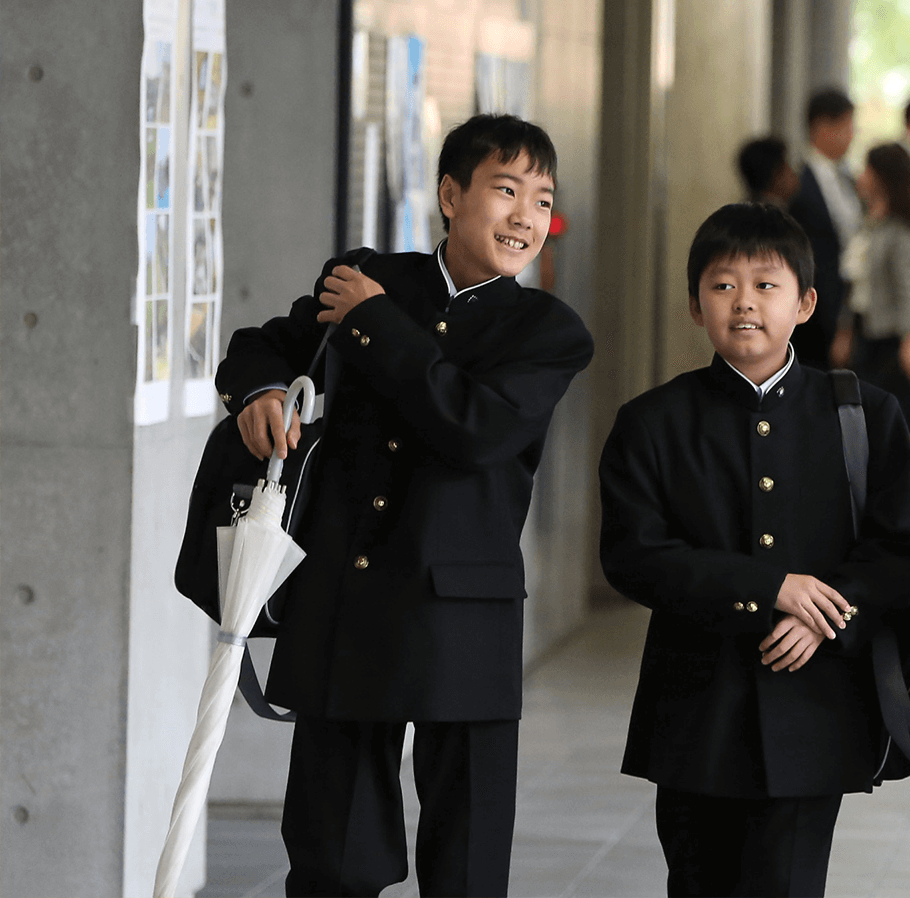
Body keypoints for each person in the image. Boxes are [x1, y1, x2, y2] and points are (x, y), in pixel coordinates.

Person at [214, 113, 594, 897]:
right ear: (451, 195)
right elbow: (261, 343)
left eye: (542, 198)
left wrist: (374, 321)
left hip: (465, 623)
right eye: (506, 189)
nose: (527, 216)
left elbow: (474, 428)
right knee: (332, 858)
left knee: (466, 866)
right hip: (344, 604)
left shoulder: (549, 330)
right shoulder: (364, 273)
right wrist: (261, 389)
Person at [598, 202, 910, 898]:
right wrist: (773, 588)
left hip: (816, 710)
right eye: (722, 286)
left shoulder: (866, 414)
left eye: (766, 285)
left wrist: (823, 613)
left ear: (806, 303)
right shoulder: (653, 422)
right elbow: (634, 555)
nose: (744, 302)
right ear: (696, 305)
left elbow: (902, 549)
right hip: (695, 713)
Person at [845, 143, 910, 518]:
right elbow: (856, 284)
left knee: (906, 426)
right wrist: (845, 330)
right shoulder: (869, 221)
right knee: (872, 422)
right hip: (870, 337)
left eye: (867, 168)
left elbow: (909, 289)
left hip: (899, 340)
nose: (861, 176)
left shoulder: (902, 229)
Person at [789, 89, 860, 370]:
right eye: (846, 127)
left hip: (846, 307)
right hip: (813, 313)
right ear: (821, 127)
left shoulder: (849, 179)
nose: (851, 136)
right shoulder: (796, 184)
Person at [739, 136, 801, 208]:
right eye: (787, 167)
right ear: (776, 176)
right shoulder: (776, 215)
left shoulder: (743, 212)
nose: (793, 173)